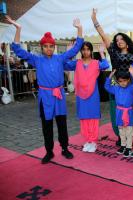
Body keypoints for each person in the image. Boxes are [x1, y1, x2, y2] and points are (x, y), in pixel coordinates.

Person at [7, 15, 84, 164]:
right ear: (41, 47)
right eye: (45, 46)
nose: (48, 48)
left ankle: (65, 148)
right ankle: (49, 151)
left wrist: (79, 29)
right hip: (45, 97)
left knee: (62, 124)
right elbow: (17, 50)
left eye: (51, 46)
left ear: (54, 47)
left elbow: (75, 49)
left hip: (59, 95)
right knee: (47, 125)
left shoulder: (60, 58)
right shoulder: (36, 59)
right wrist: (18, 28)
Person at [91, 9, 133, 145]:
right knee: (116, 109)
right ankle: (120, 136)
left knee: (131, 109)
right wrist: (94, 20)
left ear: (126, 40)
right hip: (117, 84)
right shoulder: (113, 51)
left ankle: (131, 135)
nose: (119, 41)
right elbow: (104, 36)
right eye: (117, 40)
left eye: (121, 39)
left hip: (132, 84)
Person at [64, 42, 109, 153]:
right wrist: (68, 52)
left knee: (93, 118)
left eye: (88, 49)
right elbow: (65, 64)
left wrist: (102, 53)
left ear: (91, 51)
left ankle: (93, 141)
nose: (85, 51)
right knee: (84, 118)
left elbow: (106, 65)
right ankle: (88, 140)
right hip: (81, 95)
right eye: (83, 49)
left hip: (93, 95)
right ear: (81, 51)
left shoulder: (96, 63)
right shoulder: (77, 63)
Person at [104, 66, 133, 157]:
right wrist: (110, 75)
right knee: (121, 131)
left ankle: (129, 148)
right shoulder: (115, 88)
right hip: (119, 112)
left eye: (125, 80)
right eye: (121, 81)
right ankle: (123, 146)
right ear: (117, 81)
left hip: (129, 112)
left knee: (129, 131)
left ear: (128, 80)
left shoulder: (131, 88)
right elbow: (106, 87)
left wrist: (132, 74)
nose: (123, 83)